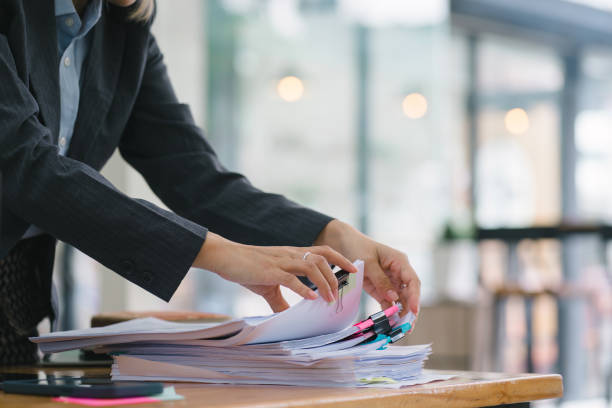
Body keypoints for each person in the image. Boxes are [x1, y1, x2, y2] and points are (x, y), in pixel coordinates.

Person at [0, 0, 421, 364]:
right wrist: (219, 253)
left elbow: (194, 175)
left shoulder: (123, 27)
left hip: (18, 302)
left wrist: (333, 237)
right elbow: (24, 164)